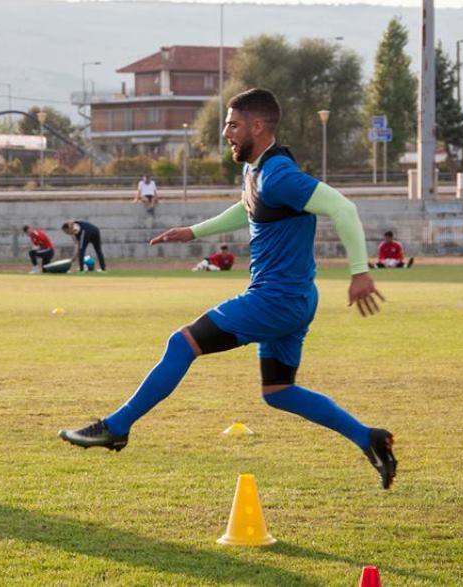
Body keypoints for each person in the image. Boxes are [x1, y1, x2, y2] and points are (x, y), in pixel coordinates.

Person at [58, 88, 397, 490]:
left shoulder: (280, 174)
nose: (225, 132)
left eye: (233, 124)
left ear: (257, 126)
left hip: (275, 299)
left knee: (181, 343)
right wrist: (194, 231)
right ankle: (368, 437)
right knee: (278, 390)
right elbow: (248, 206)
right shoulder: (257, 171)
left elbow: (344, 208)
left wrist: (360, 272)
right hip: (294, 300)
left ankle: (116, 426)